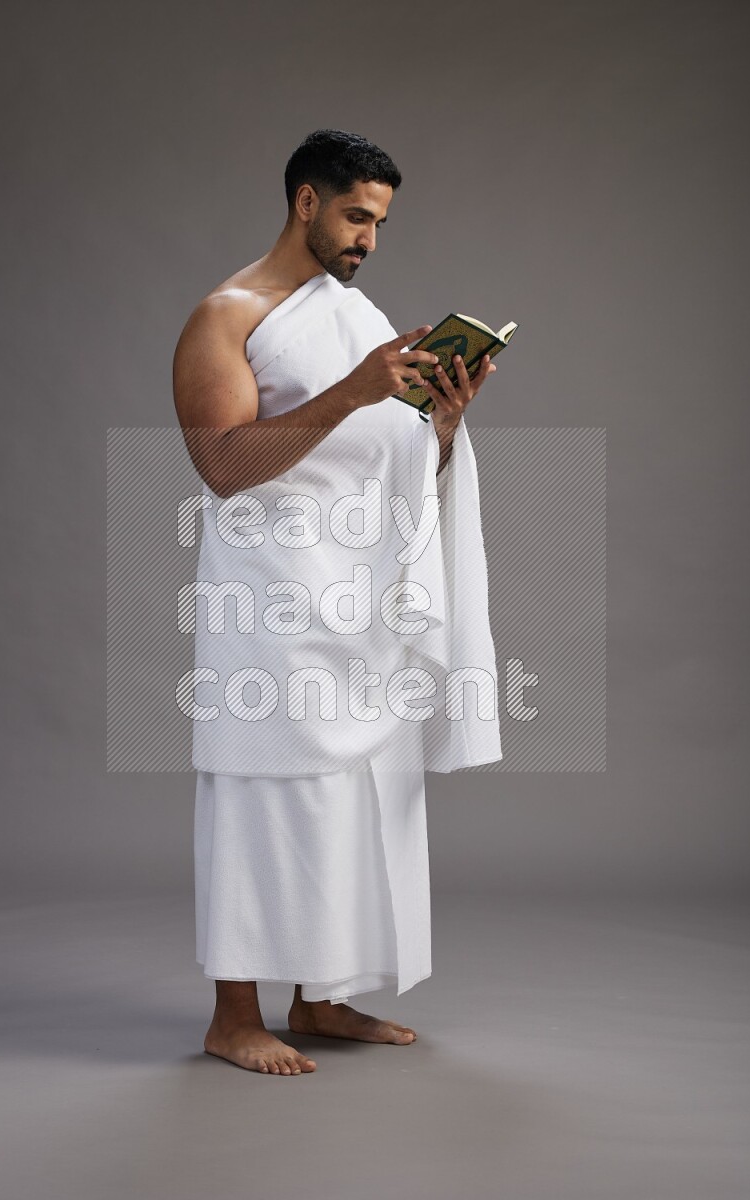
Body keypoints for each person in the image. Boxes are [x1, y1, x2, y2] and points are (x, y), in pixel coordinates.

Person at [172, 129, 500, 1076]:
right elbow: (224, 466)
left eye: (380, 223)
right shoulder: (225, 317)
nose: (367, 240)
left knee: (355, 802)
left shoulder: (359, 316)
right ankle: (234, 1017)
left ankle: (319, 999)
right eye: (357, 216)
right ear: (306, 202)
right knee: (259, 795)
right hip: (269, 604)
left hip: (362, 603)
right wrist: (356, 393)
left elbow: (395, 466)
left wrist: (441, 424)